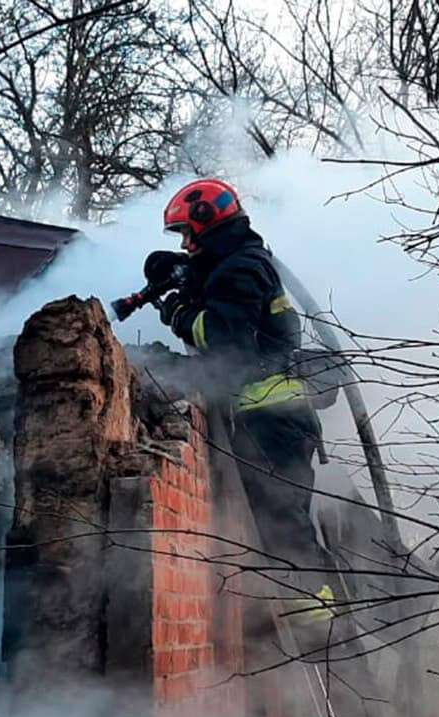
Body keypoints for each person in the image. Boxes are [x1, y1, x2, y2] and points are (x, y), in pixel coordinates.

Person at [112, 178, 334, 624]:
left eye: (186, 233)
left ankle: (315, 623)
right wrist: (175, 270)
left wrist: (179, 313)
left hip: (273, 419)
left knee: (280, 518)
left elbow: (224, 341)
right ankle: (303, 611)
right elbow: (221, 294)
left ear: (206, 223)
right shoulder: (238, 262)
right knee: (278, 518)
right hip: (270, 417)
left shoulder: (240, 270)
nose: (184, 243)